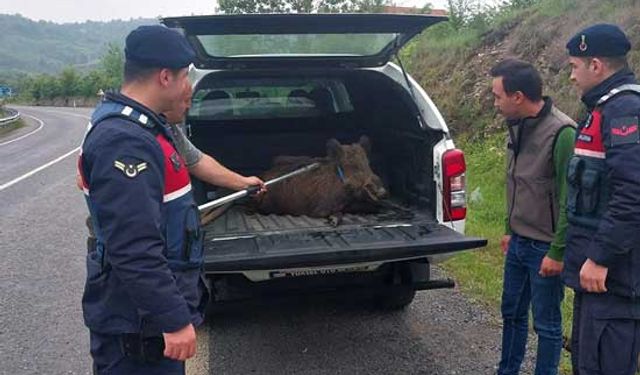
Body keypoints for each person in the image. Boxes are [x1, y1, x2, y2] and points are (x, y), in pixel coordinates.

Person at [77, 25, 216, 374]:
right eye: (186, 77)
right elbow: (133, 245)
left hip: (144, 322)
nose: (190, 87)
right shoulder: (125, 142)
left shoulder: (144, 128)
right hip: (137, 331)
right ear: (166, 77)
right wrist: (173, 319)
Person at [563, 24, 640, 375]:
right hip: (598, 274)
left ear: (596, 65)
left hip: (616, 276)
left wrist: (601, 256)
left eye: (574, 67)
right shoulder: (604, 107)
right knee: (585, 360)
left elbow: (633, 192)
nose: (571, 77)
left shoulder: (625, 110)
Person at [491, 59, 576, 375]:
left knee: (547, 324)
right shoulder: (515, 127)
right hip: (517, 242)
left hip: (545, 248)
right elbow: (516, 182)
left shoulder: (562, 133)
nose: (495, 103)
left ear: (518, 96)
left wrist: (558, 251)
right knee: (511, 313)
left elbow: (571, 199)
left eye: (498, 96)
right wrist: (508, 229)